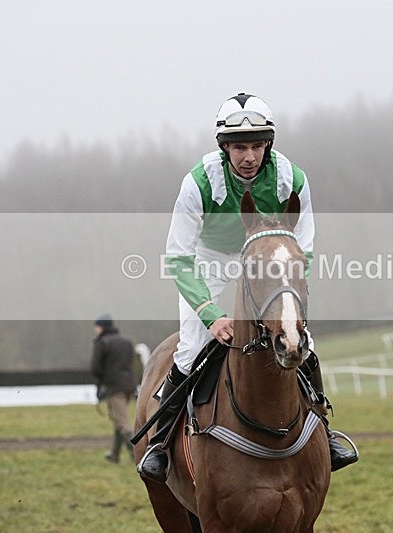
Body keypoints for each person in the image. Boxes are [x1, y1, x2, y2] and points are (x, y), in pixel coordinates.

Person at [137, 93, 358, 482]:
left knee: (303, 344)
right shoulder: (198, 183)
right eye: (239, 147)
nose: (249, 156)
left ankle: (324, 432)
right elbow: (178, 256)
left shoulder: (293, 178)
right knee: (190, 348)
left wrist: (285, 292)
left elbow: (301, 248)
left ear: (267, 145)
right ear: (224, 148)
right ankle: (159, 444)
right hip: (209, 261)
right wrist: (210, 313)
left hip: (269, 261)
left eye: (257, 145)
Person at [90, 314, 137, 463]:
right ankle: (115, 454)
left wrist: (100, 385)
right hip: (129, 385)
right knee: (119, 419)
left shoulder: (102, 343)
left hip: (114, 387)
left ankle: (137, 454)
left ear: (102, 327)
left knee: (122, 423)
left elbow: (95, 368)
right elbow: (132, 364)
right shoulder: (127, 342)